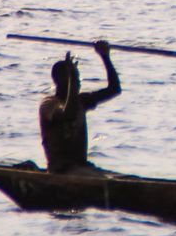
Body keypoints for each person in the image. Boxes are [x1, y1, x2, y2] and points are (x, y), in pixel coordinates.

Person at [39, 39, 121, 173]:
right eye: (73, 79)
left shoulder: (81, 101)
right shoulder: (49, 104)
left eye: (77, 78)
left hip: (82, 167)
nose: (77, 83)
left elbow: (114, 89)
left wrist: (105, 56)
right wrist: (72, 79)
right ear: (58, 81)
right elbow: (68, 114)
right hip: (61, 170)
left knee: (122, 178)